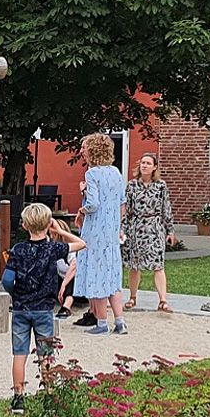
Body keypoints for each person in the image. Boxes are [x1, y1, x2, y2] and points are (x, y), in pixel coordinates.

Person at [2, 203, 86, 415]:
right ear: (48, 224)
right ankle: (49, 394)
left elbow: (7, 280)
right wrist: (59, 231)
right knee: (46, 354)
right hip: (44, 309)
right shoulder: (53, 248)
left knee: (19, 354)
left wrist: (15, 294)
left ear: (24, 225)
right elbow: (81, 243)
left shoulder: (18, 249)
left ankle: (18, 398)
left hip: (21, 309)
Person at [75, 133, 128, 334]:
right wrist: (118, 226)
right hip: (111, 231)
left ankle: (102, 323)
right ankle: (120, 322)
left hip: (95, 231)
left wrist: (82, 204)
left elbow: (93, 203)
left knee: (96, 274)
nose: (82, 151)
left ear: (93, 150)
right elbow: (122, 204)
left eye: (84, 148)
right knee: (112, 275)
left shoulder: (92, 174)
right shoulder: (116, 172)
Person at [122, 153, 176, 313]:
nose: (144, 166)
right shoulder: (132, 186)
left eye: (148, 163)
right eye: (142, 163)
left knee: (158, 265)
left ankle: (163, 300)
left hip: (155, 227)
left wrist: (170, 230)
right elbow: (127, 210)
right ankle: (132, 297)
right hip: (136, 228)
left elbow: (166, 208)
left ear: (154, 167)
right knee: (134, 265)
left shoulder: (160, 186)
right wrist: (123, 229)